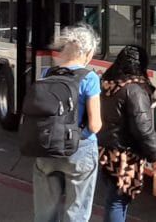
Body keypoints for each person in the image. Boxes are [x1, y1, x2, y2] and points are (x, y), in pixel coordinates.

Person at [32, 24, 102, 222]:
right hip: (79, 151)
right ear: (87, 53)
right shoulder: (90, 78)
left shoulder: (47, 74)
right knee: (76, 212)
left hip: (47, 148)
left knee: (45, 214)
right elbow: (95, 124)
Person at [98, 45, 156, 222]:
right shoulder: (134, 90)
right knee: (118, 201)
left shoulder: (108, 84)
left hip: (105, 151)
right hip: (125, 155)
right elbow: (143, 128)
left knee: (113, 198)